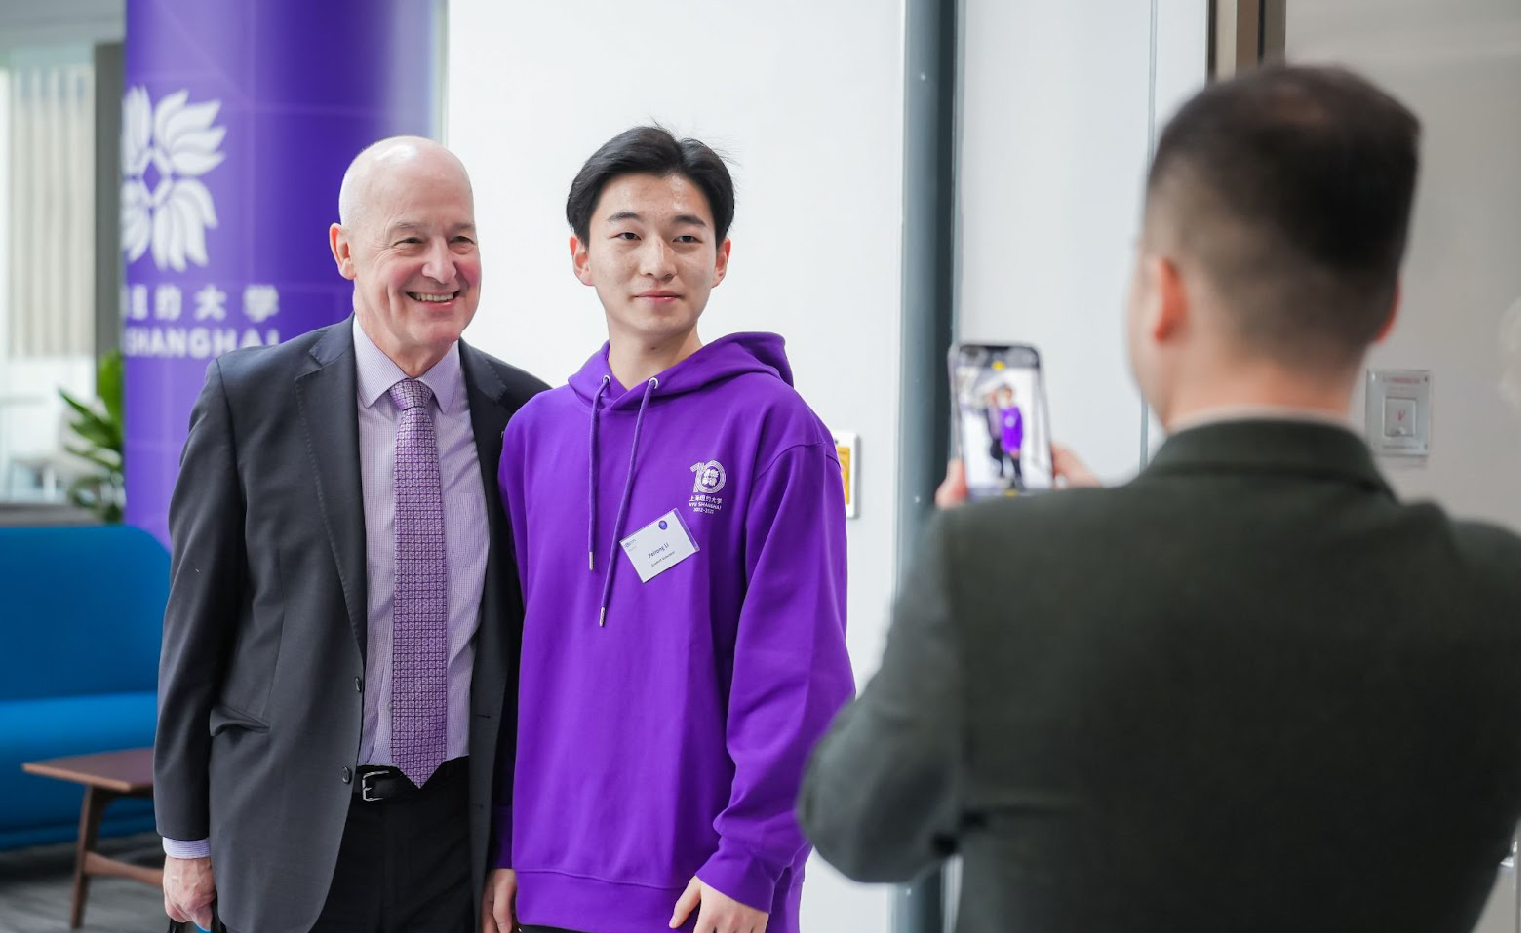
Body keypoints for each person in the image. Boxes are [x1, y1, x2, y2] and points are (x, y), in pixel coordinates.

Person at [799, 65, 1521, 932]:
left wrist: (975, 585)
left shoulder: (999, 573)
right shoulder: (1495, 595)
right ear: (1384, 310)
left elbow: (853, 829)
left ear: (1161, 293)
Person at [155, 136, 546, 933]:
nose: (442, 265)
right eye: (410, 240)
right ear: (346, 250)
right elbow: (194, 635)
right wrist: (185, 837)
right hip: (285, 826)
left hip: (454, 837)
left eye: (461, 238)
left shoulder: (525, 417)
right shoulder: (250, 400)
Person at [486, 126, 855, 933]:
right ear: (581, 257)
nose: (658, 261)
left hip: (704, 892)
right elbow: (511, 662)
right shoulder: (534, 435)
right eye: (627, 235)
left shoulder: (774, 430)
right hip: (542, 883)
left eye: (686, 237)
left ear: (721, 259)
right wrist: (506, 841)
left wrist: (751, 856)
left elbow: (799, 675)